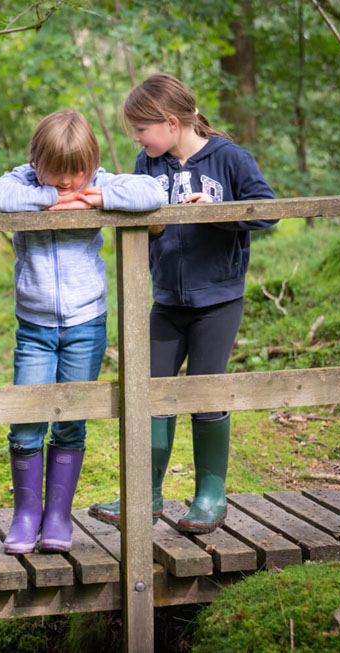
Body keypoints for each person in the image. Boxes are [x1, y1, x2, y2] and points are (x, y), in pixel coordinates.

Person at [89, 73, 277, 534]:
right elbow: (139, 210)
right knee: (150, 392)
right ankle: (146, 493)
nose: (137, 138)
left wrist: (216, 213)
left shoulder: (229, 158)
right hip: (167, 301)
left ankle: (210, 495)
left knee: (206, 394)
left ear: (172, 123)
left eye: (141, 129)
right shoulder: (148, 163)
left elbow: (267, 211)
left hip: (218, 300)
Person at [0, 110, 165, 554]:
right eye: (56, 172)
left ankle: (58, 516)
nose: (67, 182)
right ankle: (25, 516)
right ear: (36, 162)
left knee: (71, 423)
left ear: (92, 164)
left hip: (86, 324)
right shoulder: (23, 182)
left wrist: (97, 196)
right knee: (26, 422)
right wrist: (51, 197)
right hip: (35, 327)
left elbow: (152, 191)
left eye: (76, 173)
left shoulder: (97, 181)